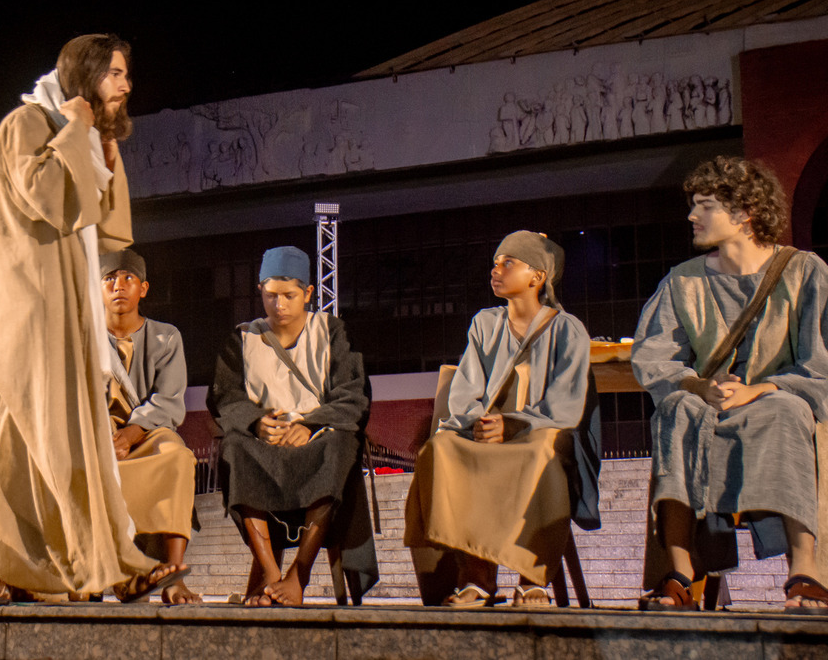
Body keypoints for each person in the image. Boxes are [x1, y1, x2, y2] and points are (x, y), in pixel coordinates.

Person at [0, 34, 185, 603]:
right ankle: (110, 566)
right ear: (87, 75)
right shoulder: (26, 123)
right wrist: (78, 131)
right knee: (59, 442)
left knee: (28, 442)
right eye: (117, 74)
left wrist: (103, 150)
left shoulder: (75, 133)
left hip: (63, 313)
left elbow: (110, 227)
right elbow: (48, 198)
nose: (127, 85)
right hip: (26, 312)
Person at [633, 156, 828, 613]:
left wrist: (758, 390)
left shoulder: (805, 271)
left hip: (778, 402)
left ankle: (806, 570)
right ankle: (680, 572)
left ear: (745, 213)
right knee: (676, 410)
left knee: (787, 412)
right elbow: (654, 355)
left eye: (705, 205)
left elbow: (820, 361)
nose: (691, 216)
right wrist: (700, 387)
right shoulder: (683, 281)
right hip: (710, 404)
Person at [404, 231, 596, 607]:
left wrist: (515, 424)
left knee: (541, 452)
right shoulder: (485, 324)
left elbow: (568, 402)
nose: (496, 270)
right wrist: (478, 422)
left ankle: (532, 580)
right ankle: (476, 577)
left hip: (538, 433)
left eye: (508, 263)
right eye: (495, 262)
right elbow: (465, 390)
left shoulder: (566, 329)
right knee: (440, 448)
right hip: (487, 434)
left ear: (537, 277)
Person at [209, 246, 377, 606]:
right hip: (265, 442)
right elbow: (225, 397)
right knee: (234, 449)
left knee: (339, 447)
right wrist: (256, 424)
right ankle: (271, 574)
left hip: (318, 438)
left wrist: (312, 424)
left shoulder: (333, 332)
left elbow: (354, 393)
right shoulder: (241, 339)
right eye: (271, 295)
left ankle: (298, 573)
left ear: (308, 294)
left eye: (289, 295)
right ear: (260, 291)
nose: (279, 305)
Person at [100, 248, 200, 604]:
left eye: (128, 278)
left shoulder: (166, 337)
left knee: (176, 456)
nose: (118, 286)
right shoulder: (84, 339)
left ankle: (174, 576)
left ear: (144, 288)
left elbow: (169, 400)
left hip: (147, 434)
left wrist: (131, 431)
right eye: (109, 279)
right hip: (96, 437)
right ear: (97, 289)